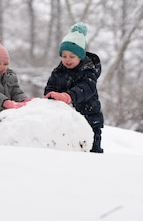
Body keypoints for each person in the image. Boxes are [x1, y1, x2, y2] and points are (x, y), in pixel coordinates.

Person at [44, 22, 104, 153]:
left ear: (80, 56)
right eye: (64, 56)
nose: (67, 59)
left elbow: (86, 88)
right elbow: (50, 86)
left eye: (72, 56)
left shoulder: (88, 71)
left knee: (90, 149)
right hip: (66, 120)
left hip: (89, 117)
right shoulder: (58, 72)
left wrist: (68, 96)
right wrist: (51, 95)